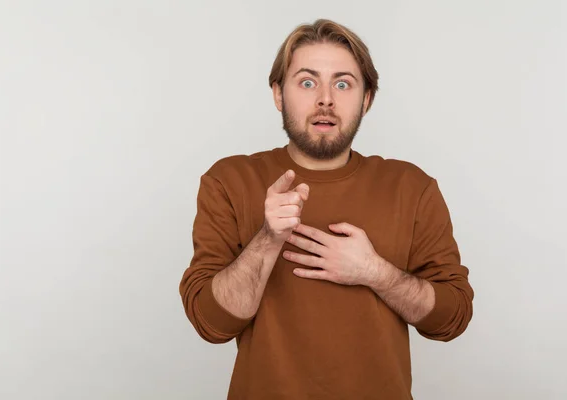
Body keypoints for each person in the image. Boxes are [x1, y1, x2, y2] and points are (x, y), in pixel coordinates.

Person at [179, 18, 474, 400]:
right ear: (278, 95)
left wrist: (375, 272)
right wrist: (269, 239)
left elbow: (451, 320)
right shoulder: (229, 180)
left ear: (366, 99)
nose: (325, 99)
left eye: (342, 83)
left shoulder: (412, 187)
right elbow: (212, 324)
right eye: (306, 82)